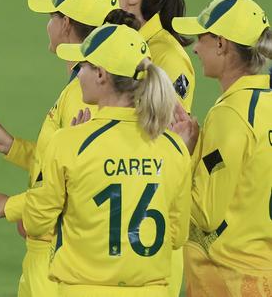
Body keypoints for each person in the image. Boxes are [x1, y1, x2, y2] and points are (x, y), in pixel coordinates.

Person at [0, 0, 138, 296]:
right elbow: (67, 161)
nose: (47, 26)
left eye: (51, 17)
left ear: (66, 24)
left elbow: (79, 180)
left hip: (58, 257)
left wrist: (11, 207)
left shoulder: (82, 96)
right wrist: (11, 146)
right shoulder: (87, 89)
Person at [23, 23, 191, 297]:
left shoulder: (70, 143)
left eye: (84, 67)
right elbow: (178, 234)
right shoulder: (173, 147)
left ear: (101, 74)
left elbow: (35, 221)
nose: (78, 74)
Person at [68, 0, 196, 294]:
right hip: (111, 234)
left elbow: (164, 139)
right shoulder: (115, 44)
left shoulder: (165, 57)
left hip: (143, 248)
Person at [172, 0, 272, 297]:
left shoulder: (231, 114)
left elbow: (204, 214)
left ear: (222, 44)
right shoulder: (264, 104)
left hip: (228, 280)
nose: (196, 48)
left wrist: (180, 153)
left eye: (202, 37)